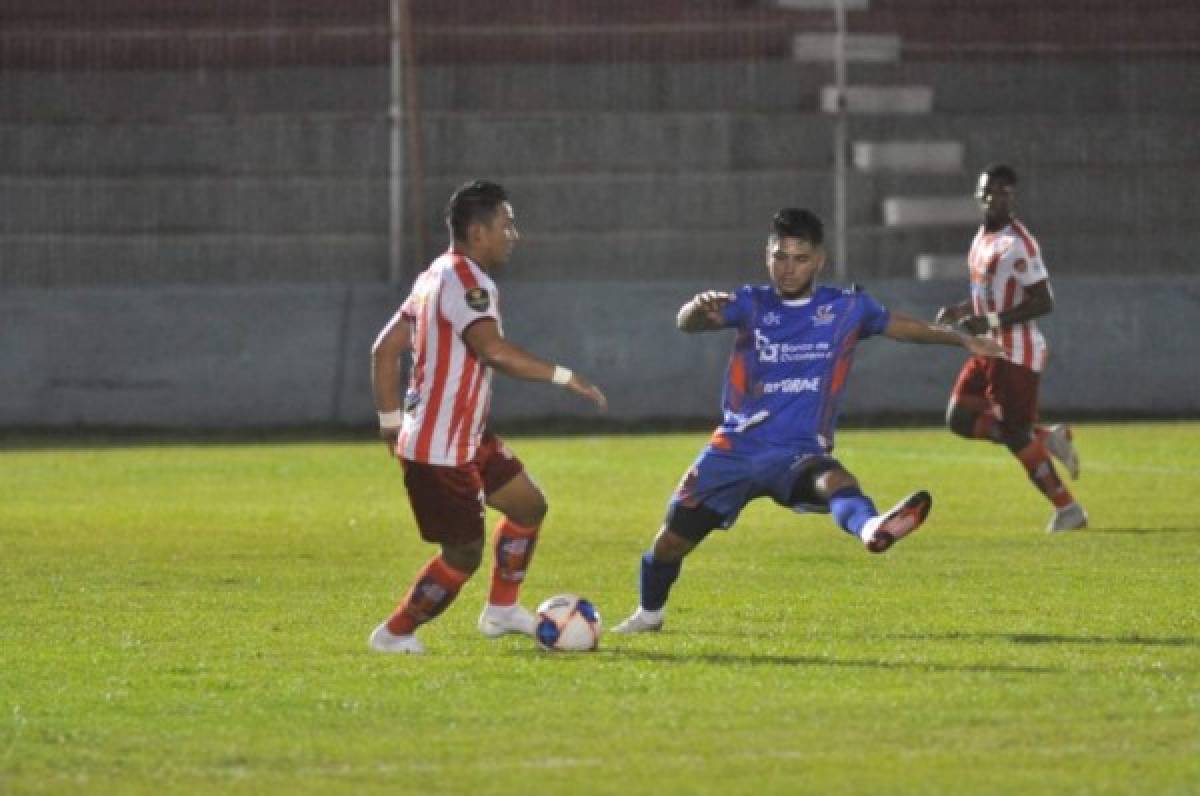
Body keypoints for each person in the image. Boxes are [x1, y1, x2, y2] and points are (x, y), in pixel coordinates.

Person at [612, 207, 1004, 634]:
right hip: (735, 450)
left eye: (800, 258)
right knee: (669, 543)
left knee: (835, 482)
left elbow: (906, 328)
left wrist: (962, 339)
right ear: (767, 256)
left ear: (819, 259)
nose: (788, 268)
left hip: (799, 451)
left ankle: (873, 528)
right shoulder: (750, 302)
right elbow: (689, 324)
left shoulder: (847, 308)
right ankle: (649, 613)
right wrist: (695, 306)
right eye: (780, 256)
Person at [368, 179, 607, 654]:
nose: (513, 234)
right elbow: (492, 350)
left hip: (468, 438)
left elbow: (384, 349)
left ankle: (500, 611)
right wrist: (566, 377)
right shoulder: (468, 282)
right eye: (506, 224)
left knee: (528, 507)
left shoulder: (434, 274)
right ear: (478, 233)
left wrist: (391, 423)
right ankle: (394, 634)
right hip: (441, 451)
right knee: (462, 555)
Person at [934, 164, 1086, 533]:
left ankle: (1069, 510)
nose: (995, 197)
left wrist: (988, 322)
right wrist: (962, 309)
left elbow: (1043, 301)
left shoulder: (1019, 244)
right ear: (978, 195)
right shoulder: (982, 238)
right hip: (989, 349)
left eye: (1003, 191)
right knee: (959, 417)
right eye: (989, 190)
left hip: (1016, 353)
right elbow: (987, 294)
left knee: (1014, 433)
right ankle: (1047, 437)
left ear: (1012, 197)